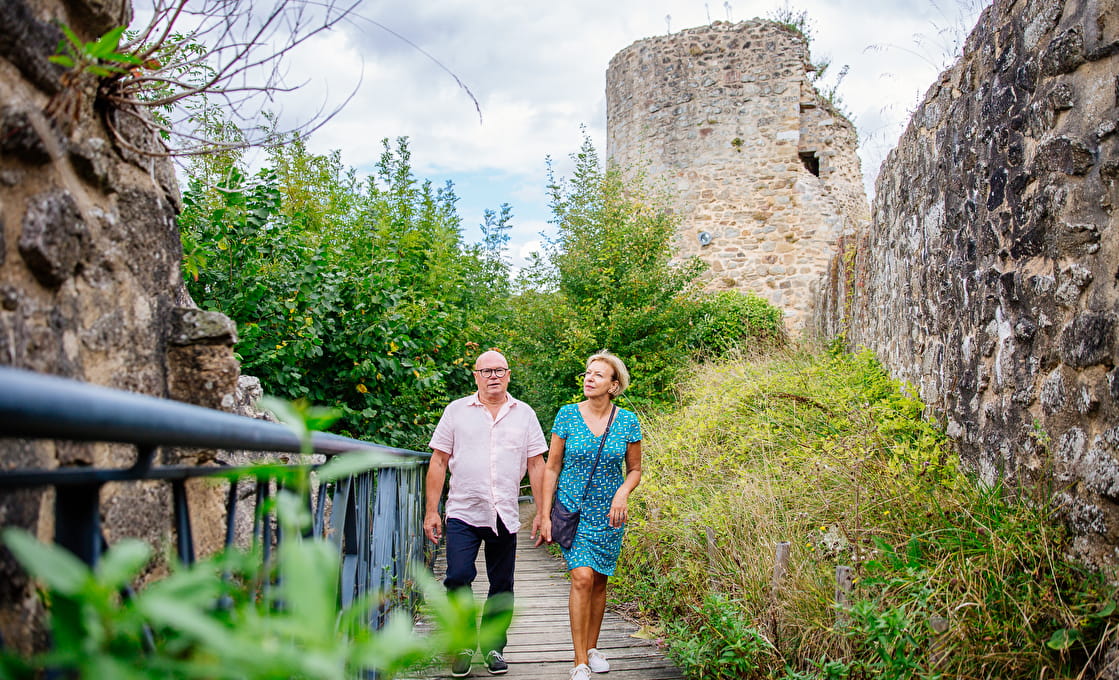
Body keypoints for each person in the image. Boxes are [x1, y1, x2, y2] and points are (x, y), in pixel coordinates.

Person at [425, 349, 547, 677]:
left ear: (508, 375)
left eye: (499, 370)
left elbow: (537, 464)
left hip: (504, 512)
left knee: (502, 583)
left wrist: (542, 512)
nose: (493, 376)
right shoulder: (456, 411)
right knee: (458, 577)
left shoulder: (524, 414)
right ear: (475, 376)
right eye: (486, 371)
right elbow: (438, 461)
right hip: (464, 510)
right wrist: (431, 511)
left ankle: (494, 646)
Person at [538, 351, 643, 680]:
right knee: (582, 578)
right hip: (573, 511)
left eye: (598, 375)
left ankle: (593, 648)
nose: (589, 378)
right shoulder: (567, 415)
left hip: (610, 516)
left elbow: (635, 470)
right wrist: (544, 514)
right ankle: (579, 660)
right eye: (588, 372)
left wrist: (623, 493)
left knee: (599, 582)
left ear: (614, 385)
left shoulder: (627, 421)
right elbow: (551, 467)